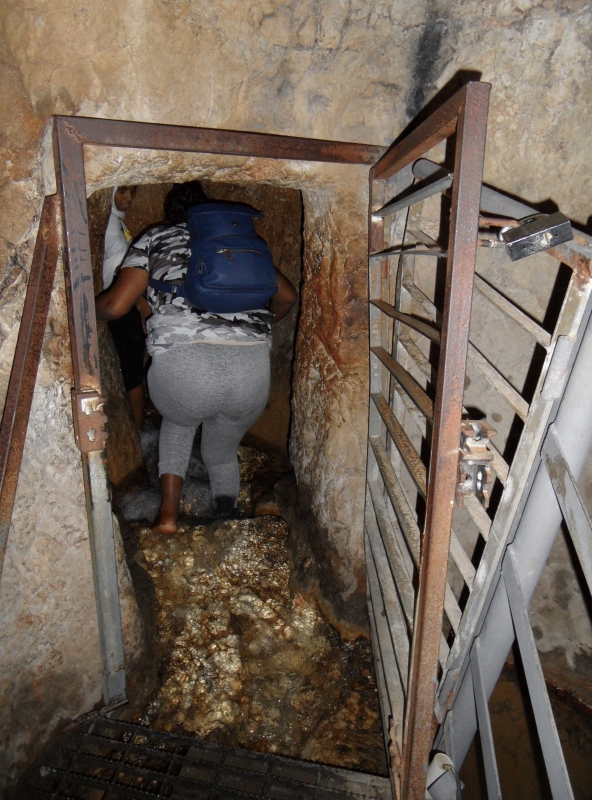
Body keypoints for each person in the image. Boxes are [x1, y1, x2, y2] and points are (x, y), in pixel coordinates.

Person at [96, 181, 297, 534]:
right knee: (221, 453)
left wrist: (83, 305)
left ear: (170, 214)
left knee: (178, 422)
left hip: (185, 369)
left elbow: (114, 307)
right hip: (250, 373)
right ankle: (227, 525)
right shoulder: (241, 241)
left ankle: (168, 517)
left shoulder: (156, 238)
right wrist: (257, 326)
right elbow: (287, 297)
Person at [102, 185, 148, 431]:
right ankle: (136, 434)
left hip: (124, 301)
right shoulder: (108, 223)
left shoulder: (115, 222)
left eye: (132, 191)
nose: (128, 198)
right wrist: (139, 301)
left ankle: (136, 434)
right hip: (121, 302)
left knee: (132, 372)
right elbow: (118, 268)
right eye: (121, 191)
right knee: (132, 374)